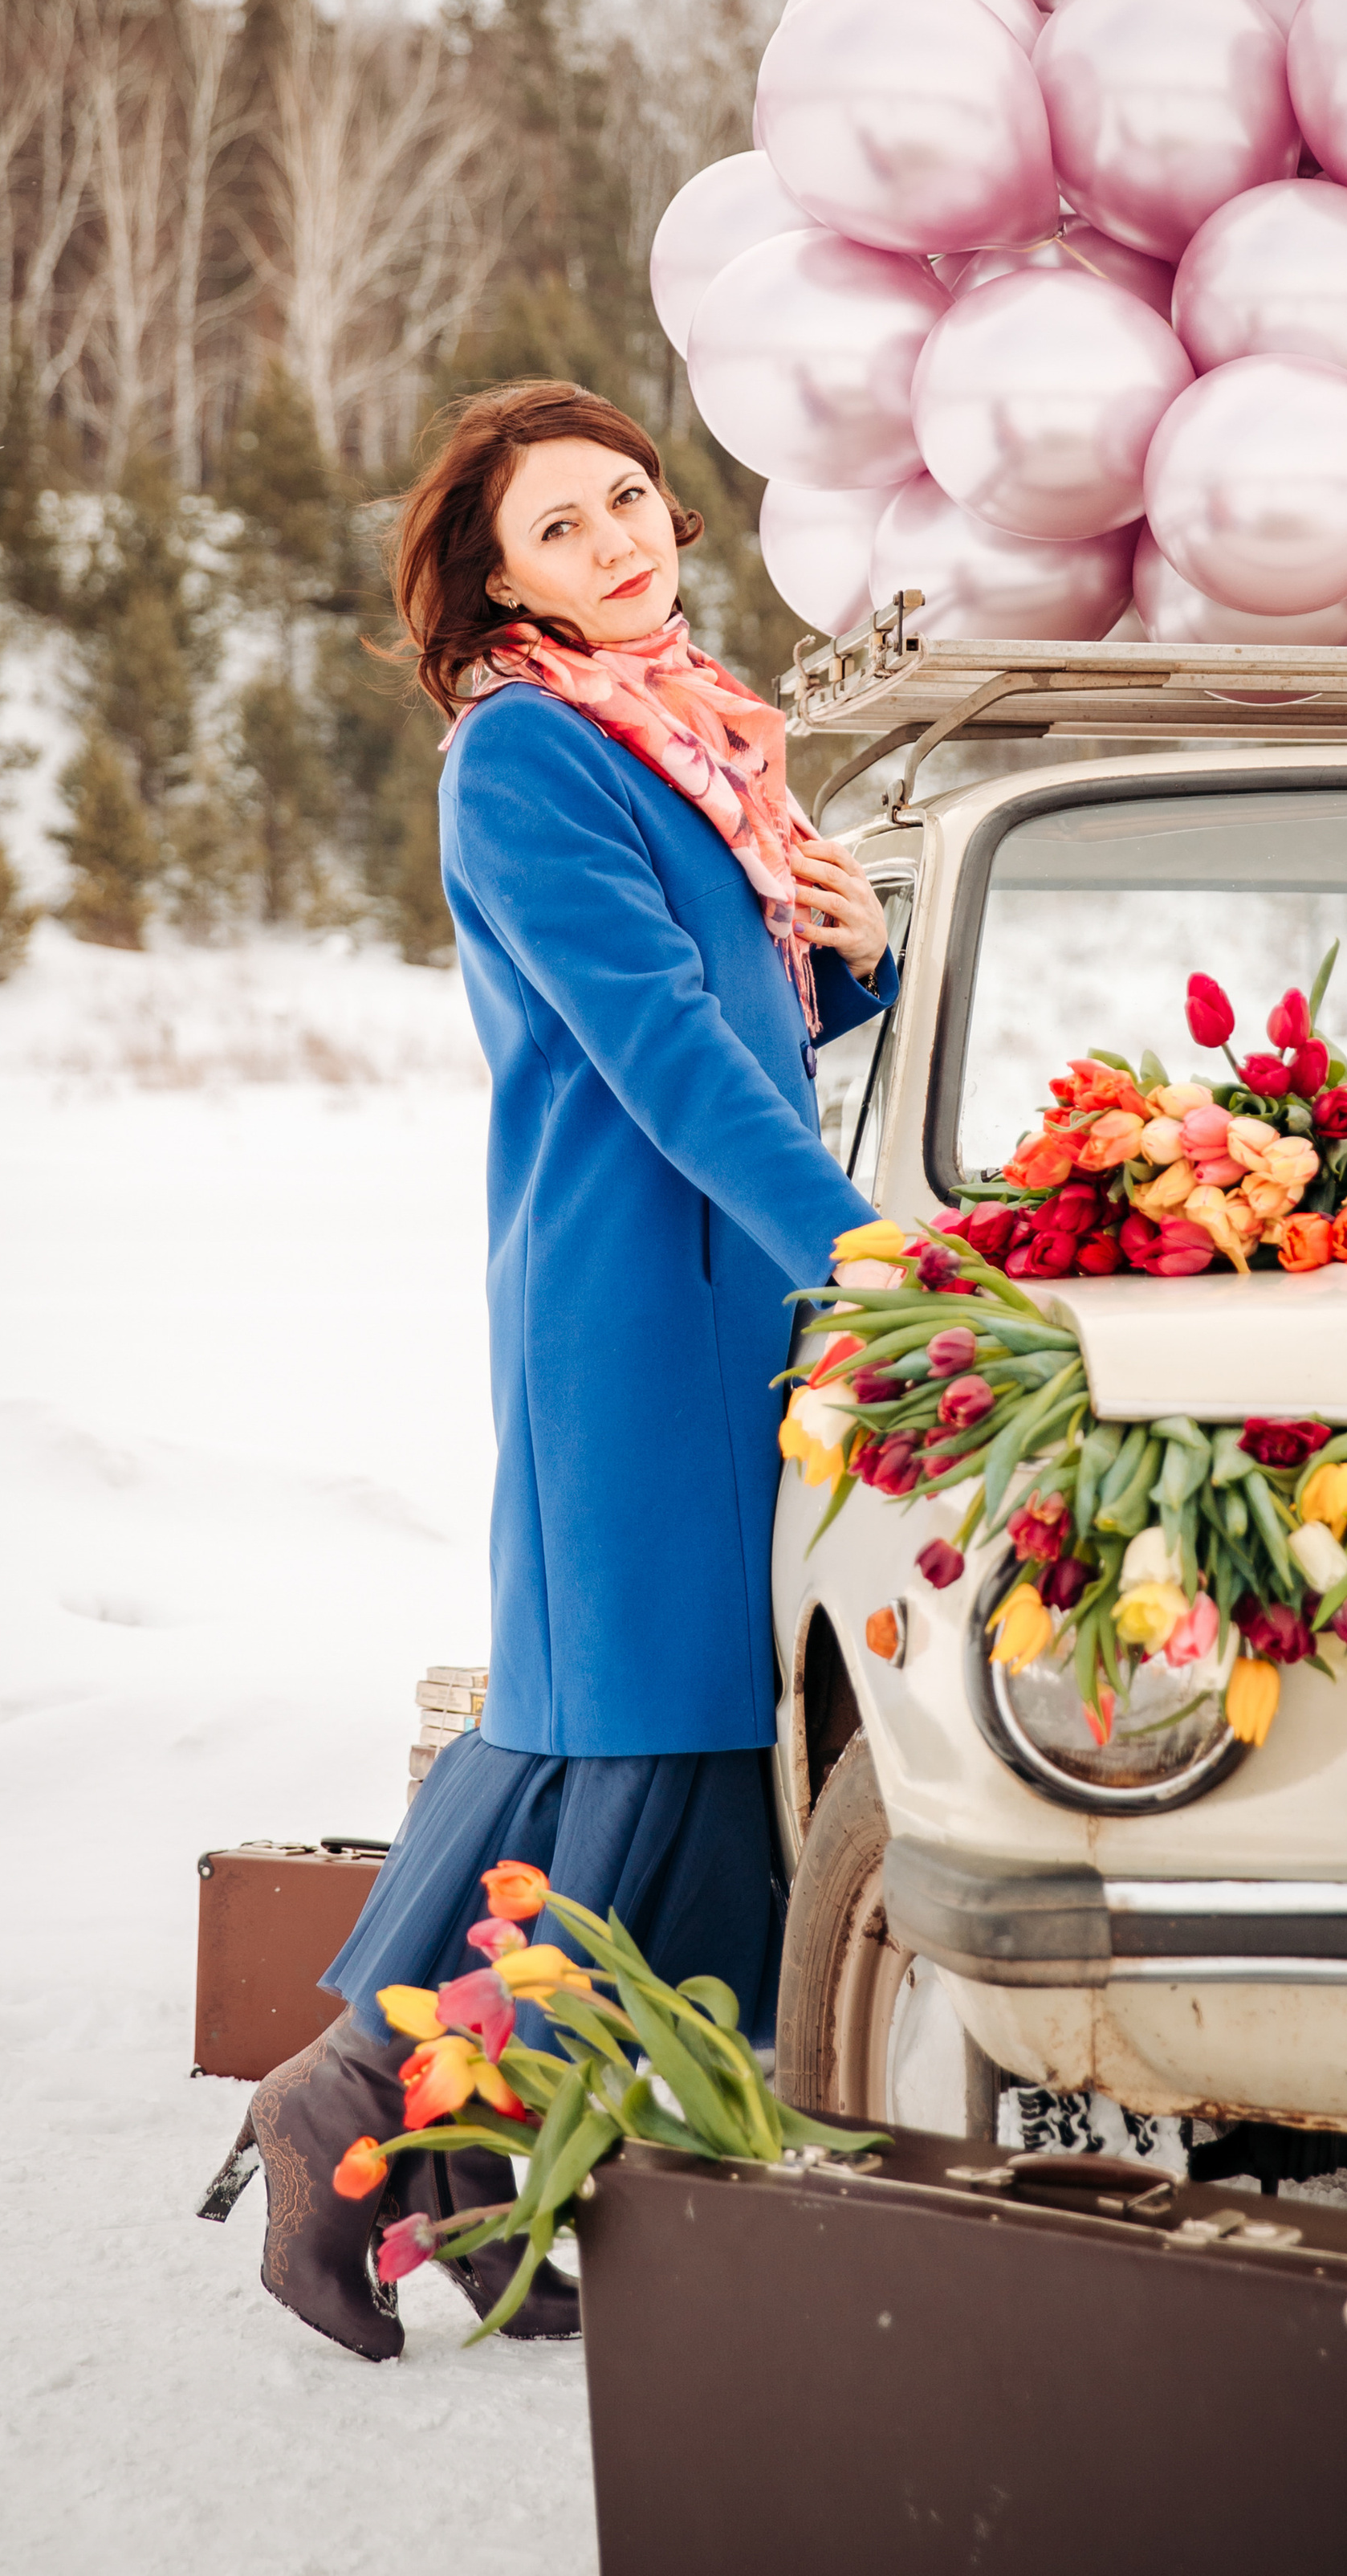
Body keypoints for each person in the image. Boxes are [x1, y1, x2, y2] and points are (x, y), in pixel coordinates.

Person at [233, 380, 896, 2359]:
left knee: (647, 1737)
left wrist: (849, 953)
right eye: (558, 528)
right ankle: (357, 2109)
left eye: (626, 498)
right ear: (496, 583)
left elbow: (741, 1015)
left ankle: (469, 2159)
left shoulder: (681, 733)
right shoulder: (528, 752)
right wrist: (862, 1246)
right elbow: (660, 1047)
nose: (615, 543)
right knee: (644, 1735)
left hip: (725, 1288)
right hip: (631, 1300)